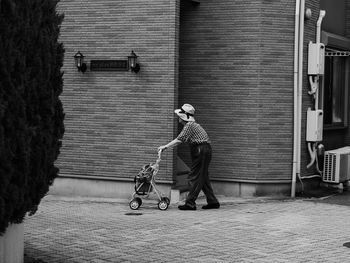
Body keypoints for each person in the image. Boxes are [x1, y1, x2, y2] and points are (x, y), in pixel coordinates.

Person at [158, 104, 220, 210]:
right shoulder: (192, 125)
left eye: (179, 115)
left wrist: (165, 147)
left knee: (194, 176)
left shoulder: (189, 125)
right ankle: (213, 201)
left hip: (201, 150)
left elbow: (179, 140)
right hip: (204, 150)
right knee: (203, 177)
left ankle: (190, 203)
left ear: (183, 117)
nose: (178, 117)